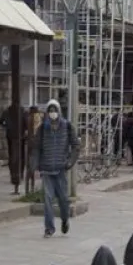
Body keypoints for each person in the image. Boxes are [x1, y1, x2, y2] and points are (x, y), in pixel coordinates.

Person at [31, 99, 78, 238]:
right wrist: (34, 165)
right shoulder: (42, 129)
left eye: (55, 110)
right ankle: (49, 228)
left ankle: (64, 220)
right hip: (46, 169)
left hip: (60, 169)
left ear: (59, 111)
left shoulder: (67, 126)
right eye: (50, 111)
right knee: (48, 199)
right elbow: (36, 148)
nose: (52, 113)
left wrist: (70, 161)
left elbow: (76, 145)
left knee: (63, 199)